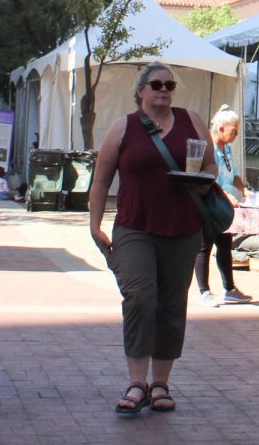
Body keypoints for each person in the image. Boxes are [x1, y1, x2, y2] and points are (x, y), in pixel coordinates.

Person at [88, 62, 216, 417]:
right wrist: (94, 224)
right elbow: (100, 181)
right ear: (141, 91)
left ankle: (160, 383)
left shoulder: (191, 120)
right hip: (135, 227)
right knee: (140, 298)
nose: (164, 89)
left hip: (182, 227)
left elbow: (211, 165)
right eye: (156, 84)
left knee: (172, 305)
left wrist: (203, 179)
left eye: (170, 84)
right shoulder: (124, 127)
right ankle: (136, 381)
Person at [194, 105, 252, 306]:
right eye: (233, 131)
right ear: (220, 129)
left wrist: (244, 190)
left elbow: (233, 173)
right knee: (204, 247)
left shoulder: (226, 148)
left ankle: (229, 288)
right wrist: (226, 195)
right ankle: (204, 291)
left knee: (225, 245)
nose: (235, 135)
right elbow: (209, 179)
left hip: (223, 206)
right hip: (209, 203)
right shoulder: (207, 147)